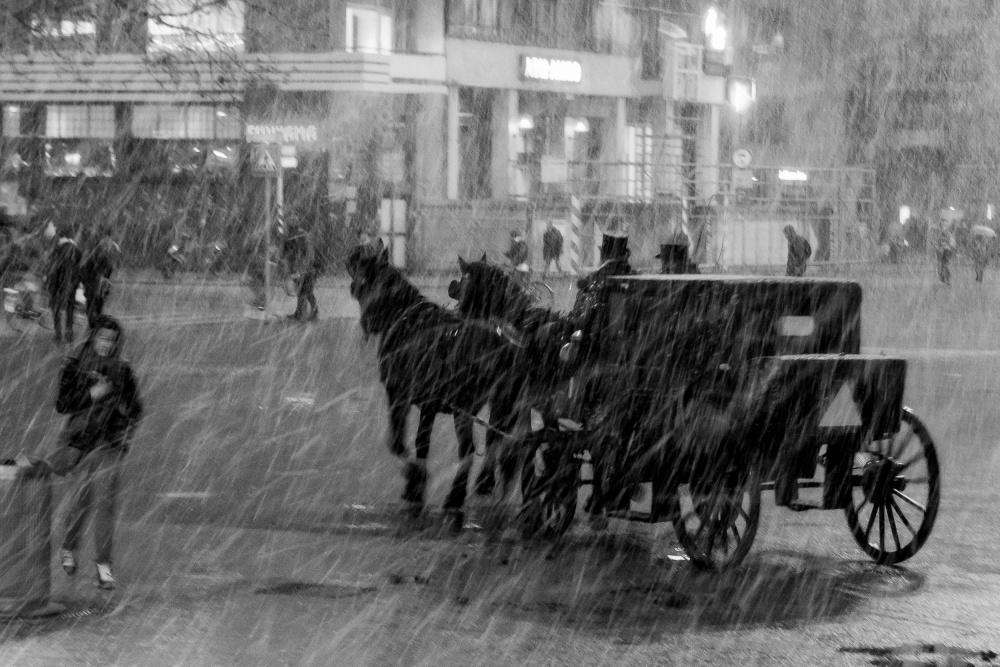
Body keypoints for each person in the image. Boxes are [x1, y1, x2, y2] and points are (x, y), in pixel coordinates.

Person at [49, 315, 143, 591]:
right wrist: (93, 393)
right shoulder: (74, 368)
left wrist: (123, 436)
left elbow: (135, 408)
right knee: (80, 499)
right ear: (92, 338)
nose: (107, 345)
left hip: (109, 445)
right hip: (80, 443)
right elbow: (62, 405)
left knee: (105, 503)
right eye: (103, 338)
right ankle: (68, 546)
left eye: (112, 341)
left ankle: (103, 564)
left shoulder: (122, 372)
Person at [46, 226, 83, 344]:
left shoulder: (57, 248)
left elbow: (52, 266)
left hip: (57, 282)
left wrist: (50, 280)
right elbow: (78, 264)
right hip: (71, 283)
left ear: (59, 236)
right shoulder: (76, 249)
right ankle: (69, 332)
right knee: (70, 307)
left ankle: (58, 334)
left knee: (55, 308)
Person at [80, 229, 119, 327]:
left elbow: (90, 265)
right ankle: (109, 328)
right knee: (96, 312)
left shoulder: (100, 248)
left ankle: (113, 328)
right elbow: (111, 267)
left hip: (95, 284)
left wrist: (83, 275)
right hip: (102, 285)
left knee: (91, 313)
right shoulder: (114, 248)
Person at [288, 226, 320, 322]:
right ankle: (299, 313)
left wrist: (301, 271)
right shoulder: (300, 247)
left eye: (298, 238)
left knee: (306, 293)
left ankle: (310, 314)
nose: (296, 239)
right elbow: (300, 260)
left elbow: (308, 261)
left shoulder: (307, 246)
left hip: (308, 273)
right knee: (304, 292)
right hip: (303, 272)